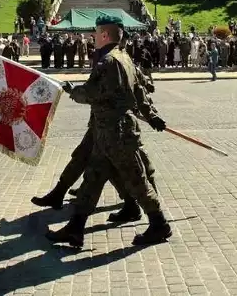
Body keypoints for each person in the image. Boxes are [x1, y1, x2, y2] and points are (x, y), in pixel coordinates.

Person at [45, 15, 171, 248]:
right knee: (92, 179)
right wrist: (151, 115)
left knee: (137, 181)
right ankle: (75, 228)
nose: (93, 37)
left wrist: (72, 90)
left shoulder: (108, 62)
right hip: (107, 133)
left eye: (95, 33)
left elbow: (92, 93)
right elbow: (140, 93)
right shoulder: (125, 58)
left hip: (117, 133)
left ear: (104, 34)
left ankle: (159, 223)